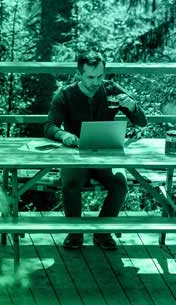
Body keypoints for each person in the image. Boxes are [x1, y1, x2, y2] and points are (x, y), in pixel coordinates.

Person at [44, 51, 148, 250]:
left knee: (120, 184)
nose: (96, 81)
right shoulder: (65, 94)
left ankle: (103, 232)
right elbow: (49, 125)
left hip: (105, 155)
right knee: (71, 184)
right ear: (79, 74)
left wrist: (132, 106)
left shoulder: (111, 90)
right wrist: (63, 135)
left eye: (100, 76)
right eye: (91, 77)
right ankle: (75, 234)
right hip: (75, 155)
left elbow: (141, 122)